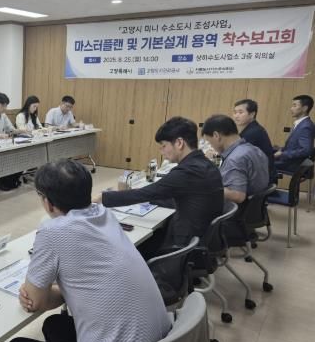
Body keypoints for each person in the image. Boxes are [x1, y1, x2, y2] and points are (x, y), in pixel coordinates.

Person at [3, 160, 171, 342]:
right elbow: (71, 289)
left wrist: (46, 292)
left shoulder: (53, 231)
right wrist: (64, 289)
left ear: (48, 203)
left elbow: (36, 302)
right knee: (53, 325)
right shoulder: (104, 215)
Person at [95, 117, 223, 252]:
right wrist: (151, 199)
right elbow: (170, 194)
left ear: (179, 143)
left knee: (124, 245)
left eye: (164, 146)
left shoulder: (187, 172)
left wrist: (102, 197)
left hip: (183, 247)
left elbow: (144, 194)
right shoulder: (206, 164)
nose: (161, 152)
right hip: (201, 238)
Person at [202, 115, 269, 204]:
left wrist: (204, 187)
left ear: (216, 136)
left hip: (237, 209)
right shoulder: (255, 149)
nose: (211, 146)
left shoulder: (235, 158)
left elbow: (238, 196)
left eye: (209, 141)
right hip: (255, 207)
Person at [232, 99, 276, 183]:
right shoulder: (251, 128)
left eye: (240, 112)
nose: (236, 116)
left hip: (261, 178)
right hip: (259, 173)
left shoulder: (253, 132)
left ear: (252, 114)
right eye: (235, 112)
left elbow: (234, 155)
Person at [274, 94, 315, 173]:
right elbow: (294, 147)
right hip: (288, 161)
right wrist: (280, 149)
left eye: (294, 105)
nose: (291, 108)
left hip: (292, 164)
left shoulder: (306, 126)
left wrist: (282, 154)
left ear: (305, 108)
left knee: (259, 163)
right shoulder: (301, 124)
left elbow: (306, 150)